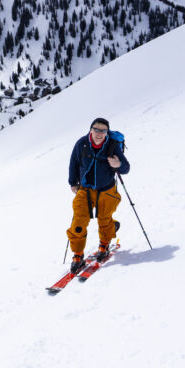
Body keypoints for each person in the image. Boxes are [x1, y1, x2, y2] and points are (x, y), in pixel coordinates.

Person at [66, 117, 130, 273]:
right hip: (85, 189)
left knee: (104, 219)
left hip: (107, 189)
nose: (99, 133)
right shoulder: (82, 144)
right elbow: (74, 163)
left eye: (103, 130)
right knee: (78, 223)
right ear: (91, 129)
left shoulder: (112, 146)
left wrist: (118, 164)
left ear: (107, 132)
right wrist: (72, 182)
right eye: (96, 129)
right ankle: (78, 254)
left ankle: (104, 245)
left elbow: (126, 168)